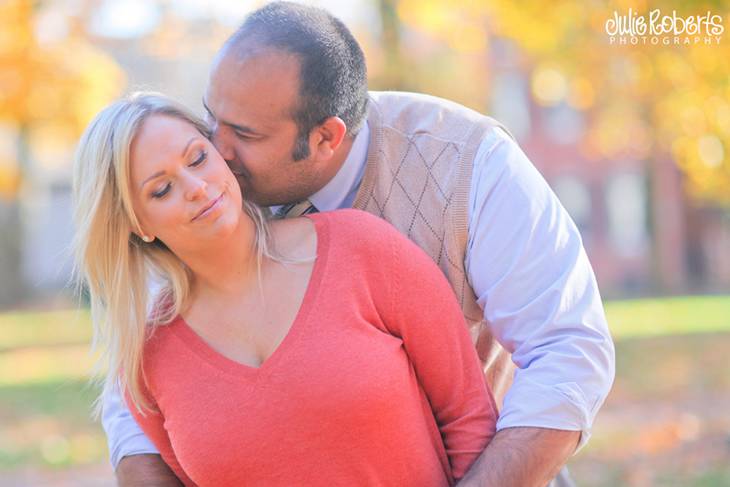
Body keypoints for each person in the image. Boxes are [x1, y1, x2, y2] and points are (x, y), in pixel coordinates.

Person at [105, 3, 615, 487]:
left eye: (245, 134)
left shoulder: (468, 164)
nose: (216, 151)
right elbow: (138, 392)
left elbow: (567, 351)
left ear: (326, 138)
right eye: (212, 116)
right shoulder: (198, 197)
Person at [73, 92, 498, 486]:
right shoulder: (146, 360)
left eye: (198, 158)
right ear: (137, 225)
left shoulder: (361, 249)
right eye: (162, 189)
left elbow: (469, 419)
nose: (196, 188)